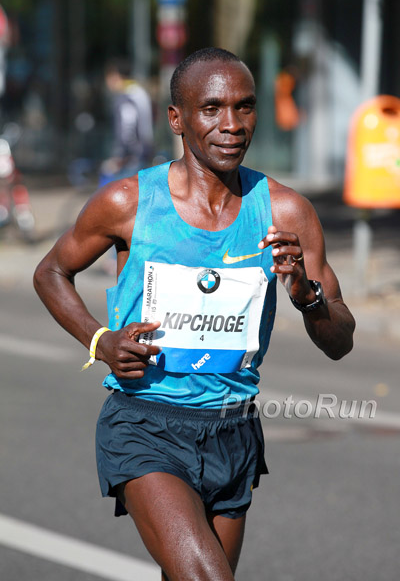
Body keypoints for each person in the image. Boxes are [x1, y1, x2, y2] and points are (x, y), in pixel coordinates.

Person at [34, 47, 355, 581]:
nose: (231, 125)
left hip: (234, 430)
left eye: (245, 107)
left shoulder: (286, 211)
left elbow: (340, 340)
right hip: (146, 424)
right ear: (177, 119)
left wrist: (305, 291)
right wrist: (101, 341)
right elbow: (50, 272)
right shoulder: (128, 203)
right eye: (212, 109)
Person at [99, 57, 154, 186]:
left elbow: (127, 128)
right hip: (143, 154)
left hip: (131, 159)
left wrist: (119, 157)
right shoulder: (139, 92)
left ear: (115, 76)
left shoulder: (126, 96)